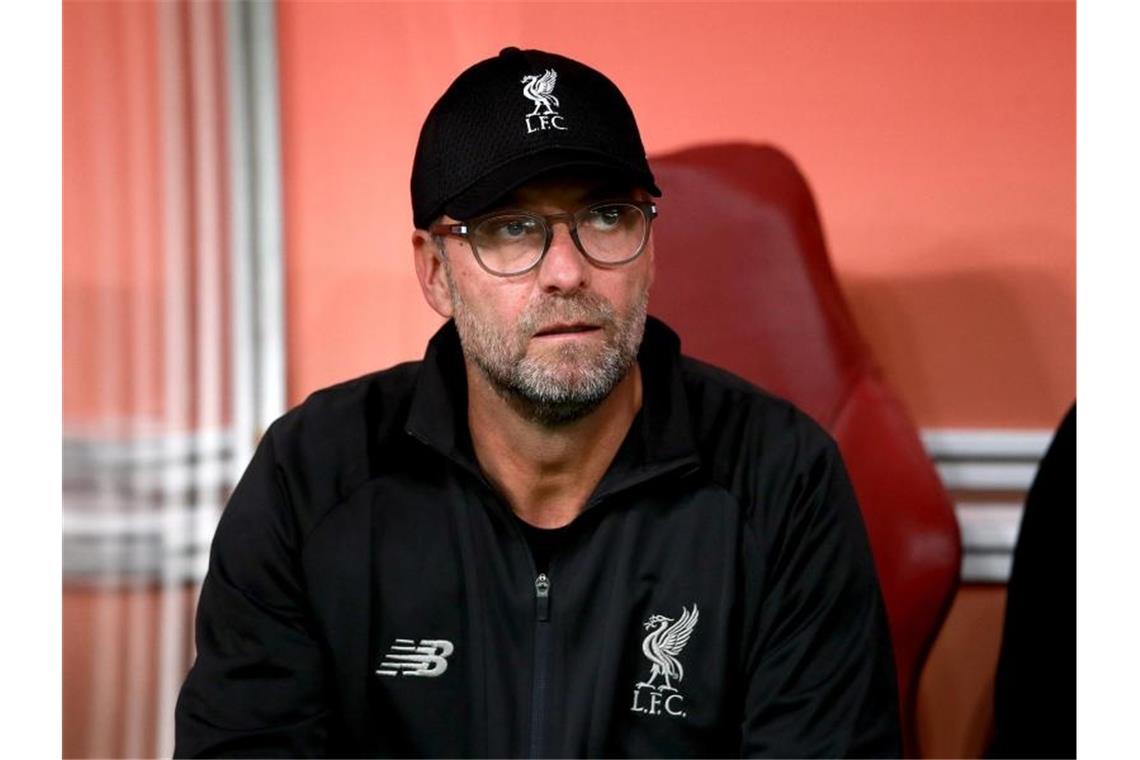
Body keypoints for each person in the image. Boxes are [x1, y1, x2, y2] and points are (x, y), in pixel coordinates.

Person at [175, 47, 900, 758]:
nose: (566, 271)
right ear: (435, 272)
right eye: (510, 228)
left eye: (607, 216)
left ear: (650, 248)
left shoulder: (781, 479)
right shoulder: (310, 480)